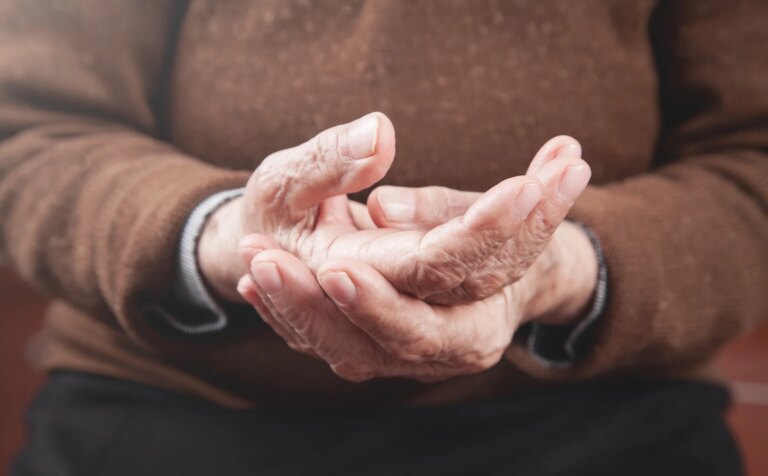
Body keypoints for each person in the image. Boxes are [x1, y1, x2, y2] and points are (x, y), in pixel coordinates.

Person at [1, 0, 765, 474]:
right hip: (172, 405)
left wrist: (556, 268)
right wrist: (237, 234)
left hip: (604, 417)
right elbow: (31, 134)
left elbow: (751, 165)